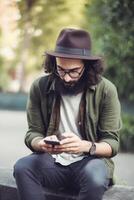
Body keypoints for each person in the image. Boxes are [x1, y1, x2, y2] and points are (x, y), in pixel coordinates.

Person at [13, 28, 122, 200]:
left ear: (87, 67)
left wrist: (85, 146)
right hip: (52, 162)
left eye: (73, 71)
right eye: (61, 69)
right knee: (23, 167)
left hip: (89, 163)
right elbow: (32, 133)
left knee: (95, 176)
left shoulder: (106, 90)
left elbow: (112, 143)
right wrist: (40, 143)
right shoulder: (39, 87)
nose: (66, 78)